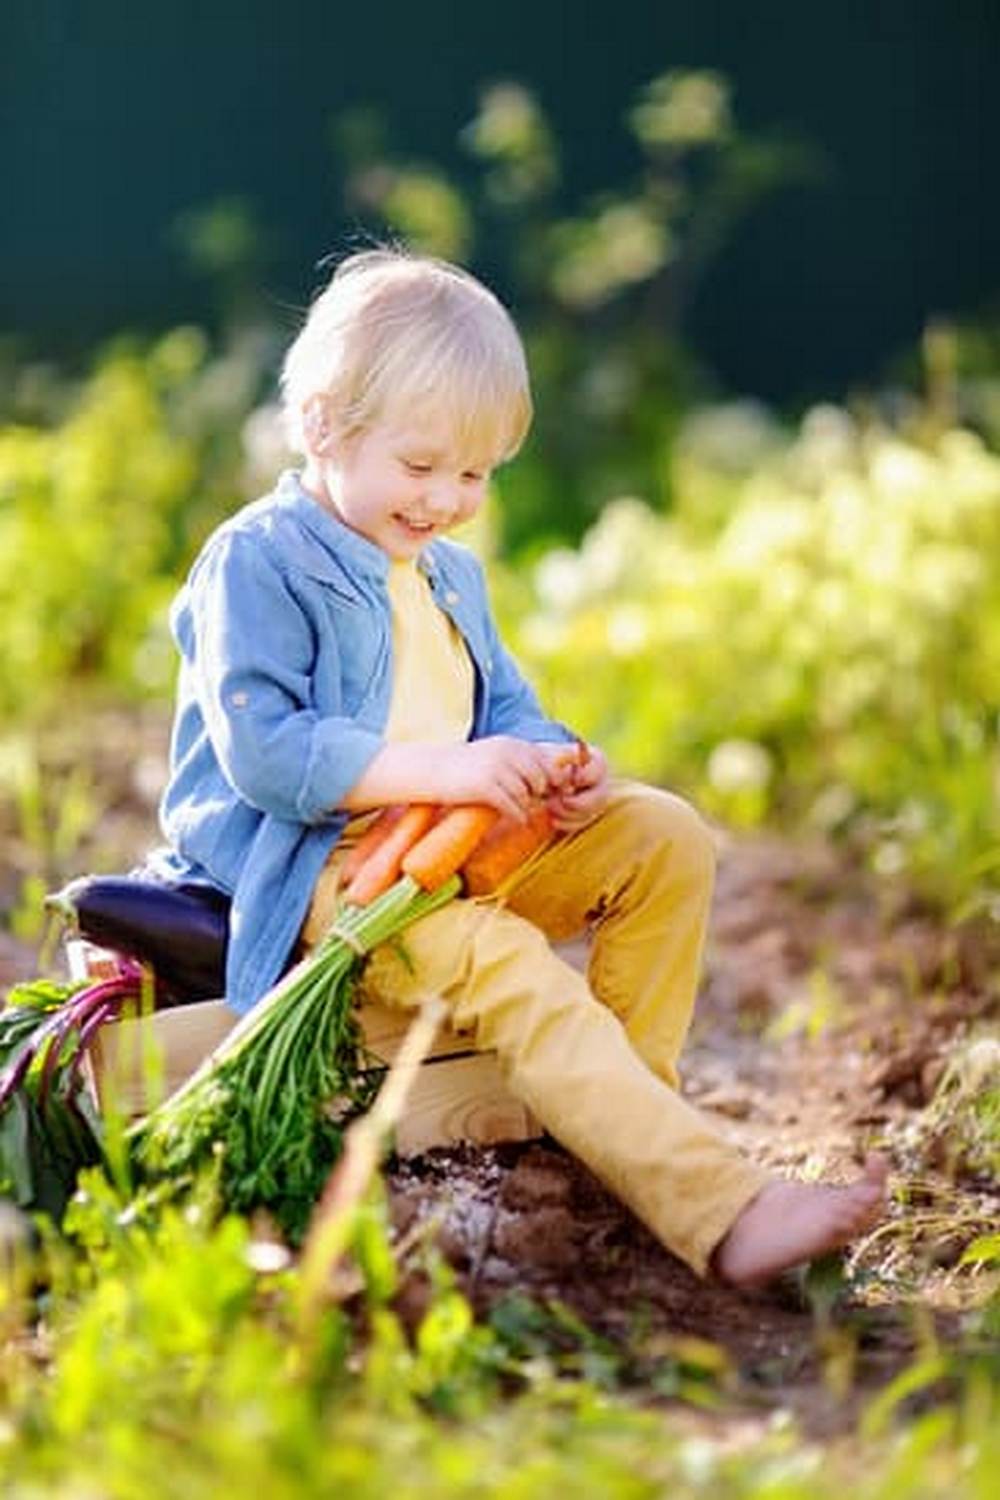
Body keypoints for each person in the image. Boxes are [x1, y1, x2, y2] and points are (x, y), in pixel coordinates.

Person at [153, 247, 886, 1287]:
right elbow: (268, 755)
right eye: (421, 466)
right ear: (322, 426)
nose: (447, 499)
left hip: (451, 848)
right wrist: (441, 777)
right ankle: (718, 1211)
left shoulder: (447, 572)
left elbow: (502, 707)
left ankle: (620, 1135)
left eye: (475, 474)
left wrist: (551, 759)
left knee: (662, 835)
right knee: (501, 958)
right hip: (330, 876)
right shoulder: (260, 560)